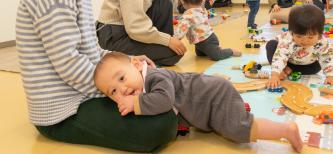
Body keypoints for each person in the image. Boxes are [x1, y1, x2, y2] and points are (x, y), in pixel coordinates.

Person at [15, 0, 178, 152]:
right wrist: (118, 89)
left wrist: (128, 60)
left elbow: (91, 51)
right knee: (163, 122)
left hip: (79, 93)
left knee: (160, 96)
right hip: (61, 110)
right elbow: (69, 62)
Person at [94, 52, 304, 153]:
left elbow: (165, 101)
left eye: (122, 78)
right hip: (210, 99)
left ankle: (286, 130)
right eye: (113, 91)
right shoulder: (145, 80)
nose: (122, 89)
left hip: (214, 97)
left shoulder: (154, 77)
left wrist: (134, 104)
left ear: (137, 64)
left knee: (240, 129)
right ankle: (241, 110)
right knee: (236, 122)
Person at [266, 5, 333, 89]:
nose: (305, 41)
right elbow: (280, 56)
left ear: (319, 35)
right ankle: (284, 69)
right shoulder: (288, 40)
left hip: (306, 63)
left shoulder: (322, 42)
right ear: (292, 32)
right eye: (299, 36)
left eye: (310, 37)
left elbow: (327, 58)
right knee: (271, 45)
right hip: (288, 61)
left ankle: (289, 70)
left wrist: (330, 77)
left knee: (317, 67)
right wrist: (275, 75)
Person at [175, 0, 242, 60]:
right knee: (200, 54)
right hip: (199, 41)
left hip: (208, 40)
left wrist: (174, 38)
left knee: (217, 55)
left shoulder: (188, 15)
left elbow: (180, 32)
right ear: (201, 1)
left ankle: (231, 51)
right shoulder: (202, 9)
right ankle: (208, 50)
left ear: (183, 2)